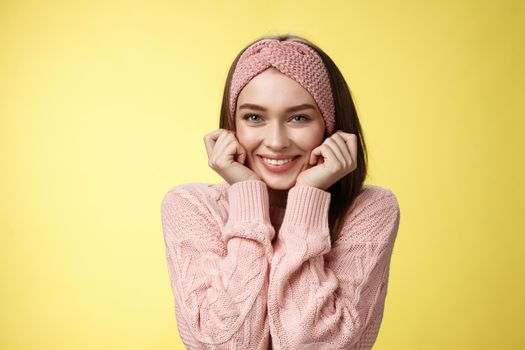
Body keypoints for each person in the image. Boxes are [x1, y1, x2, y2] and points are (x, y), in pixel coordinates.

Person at [161, 34, 401, 350]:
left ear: (329, 127)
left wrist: (308, 196)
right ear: (233, 125)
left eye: (298, 117)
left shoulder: (370, 209)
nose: (276, 140)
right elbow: (229, 345)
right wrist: (247, 198)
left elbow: (314, 344)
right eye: (254, 117)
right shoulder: (191, 206)